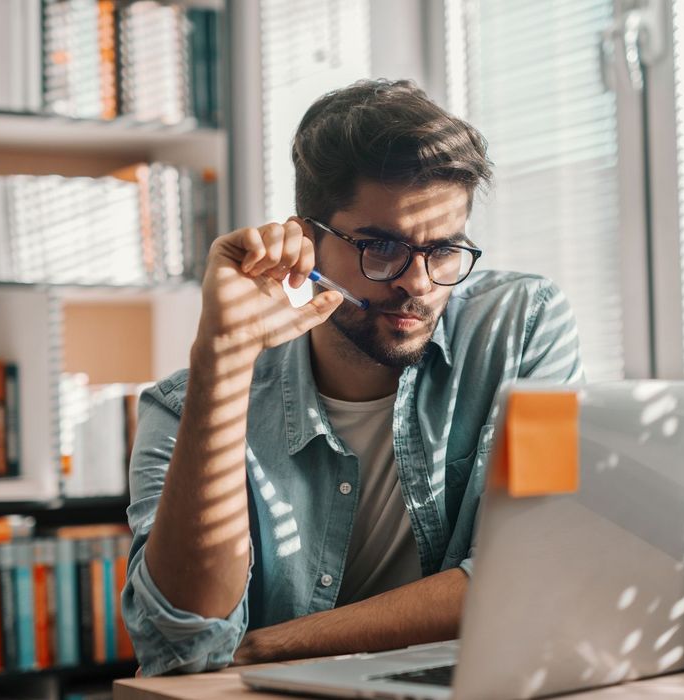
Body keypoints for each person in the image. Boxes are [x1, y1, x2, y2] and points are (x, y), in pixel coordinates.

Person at [123, 79, 584, 676]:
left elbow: (531, 574)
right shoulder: (183, 408)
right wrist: (222, 359)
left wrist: (265, 646)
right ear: (307, 241)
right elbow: (180, 645)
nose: (417, 283)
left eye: (445, 249)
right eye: (381, 246)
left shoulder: (521, 327)